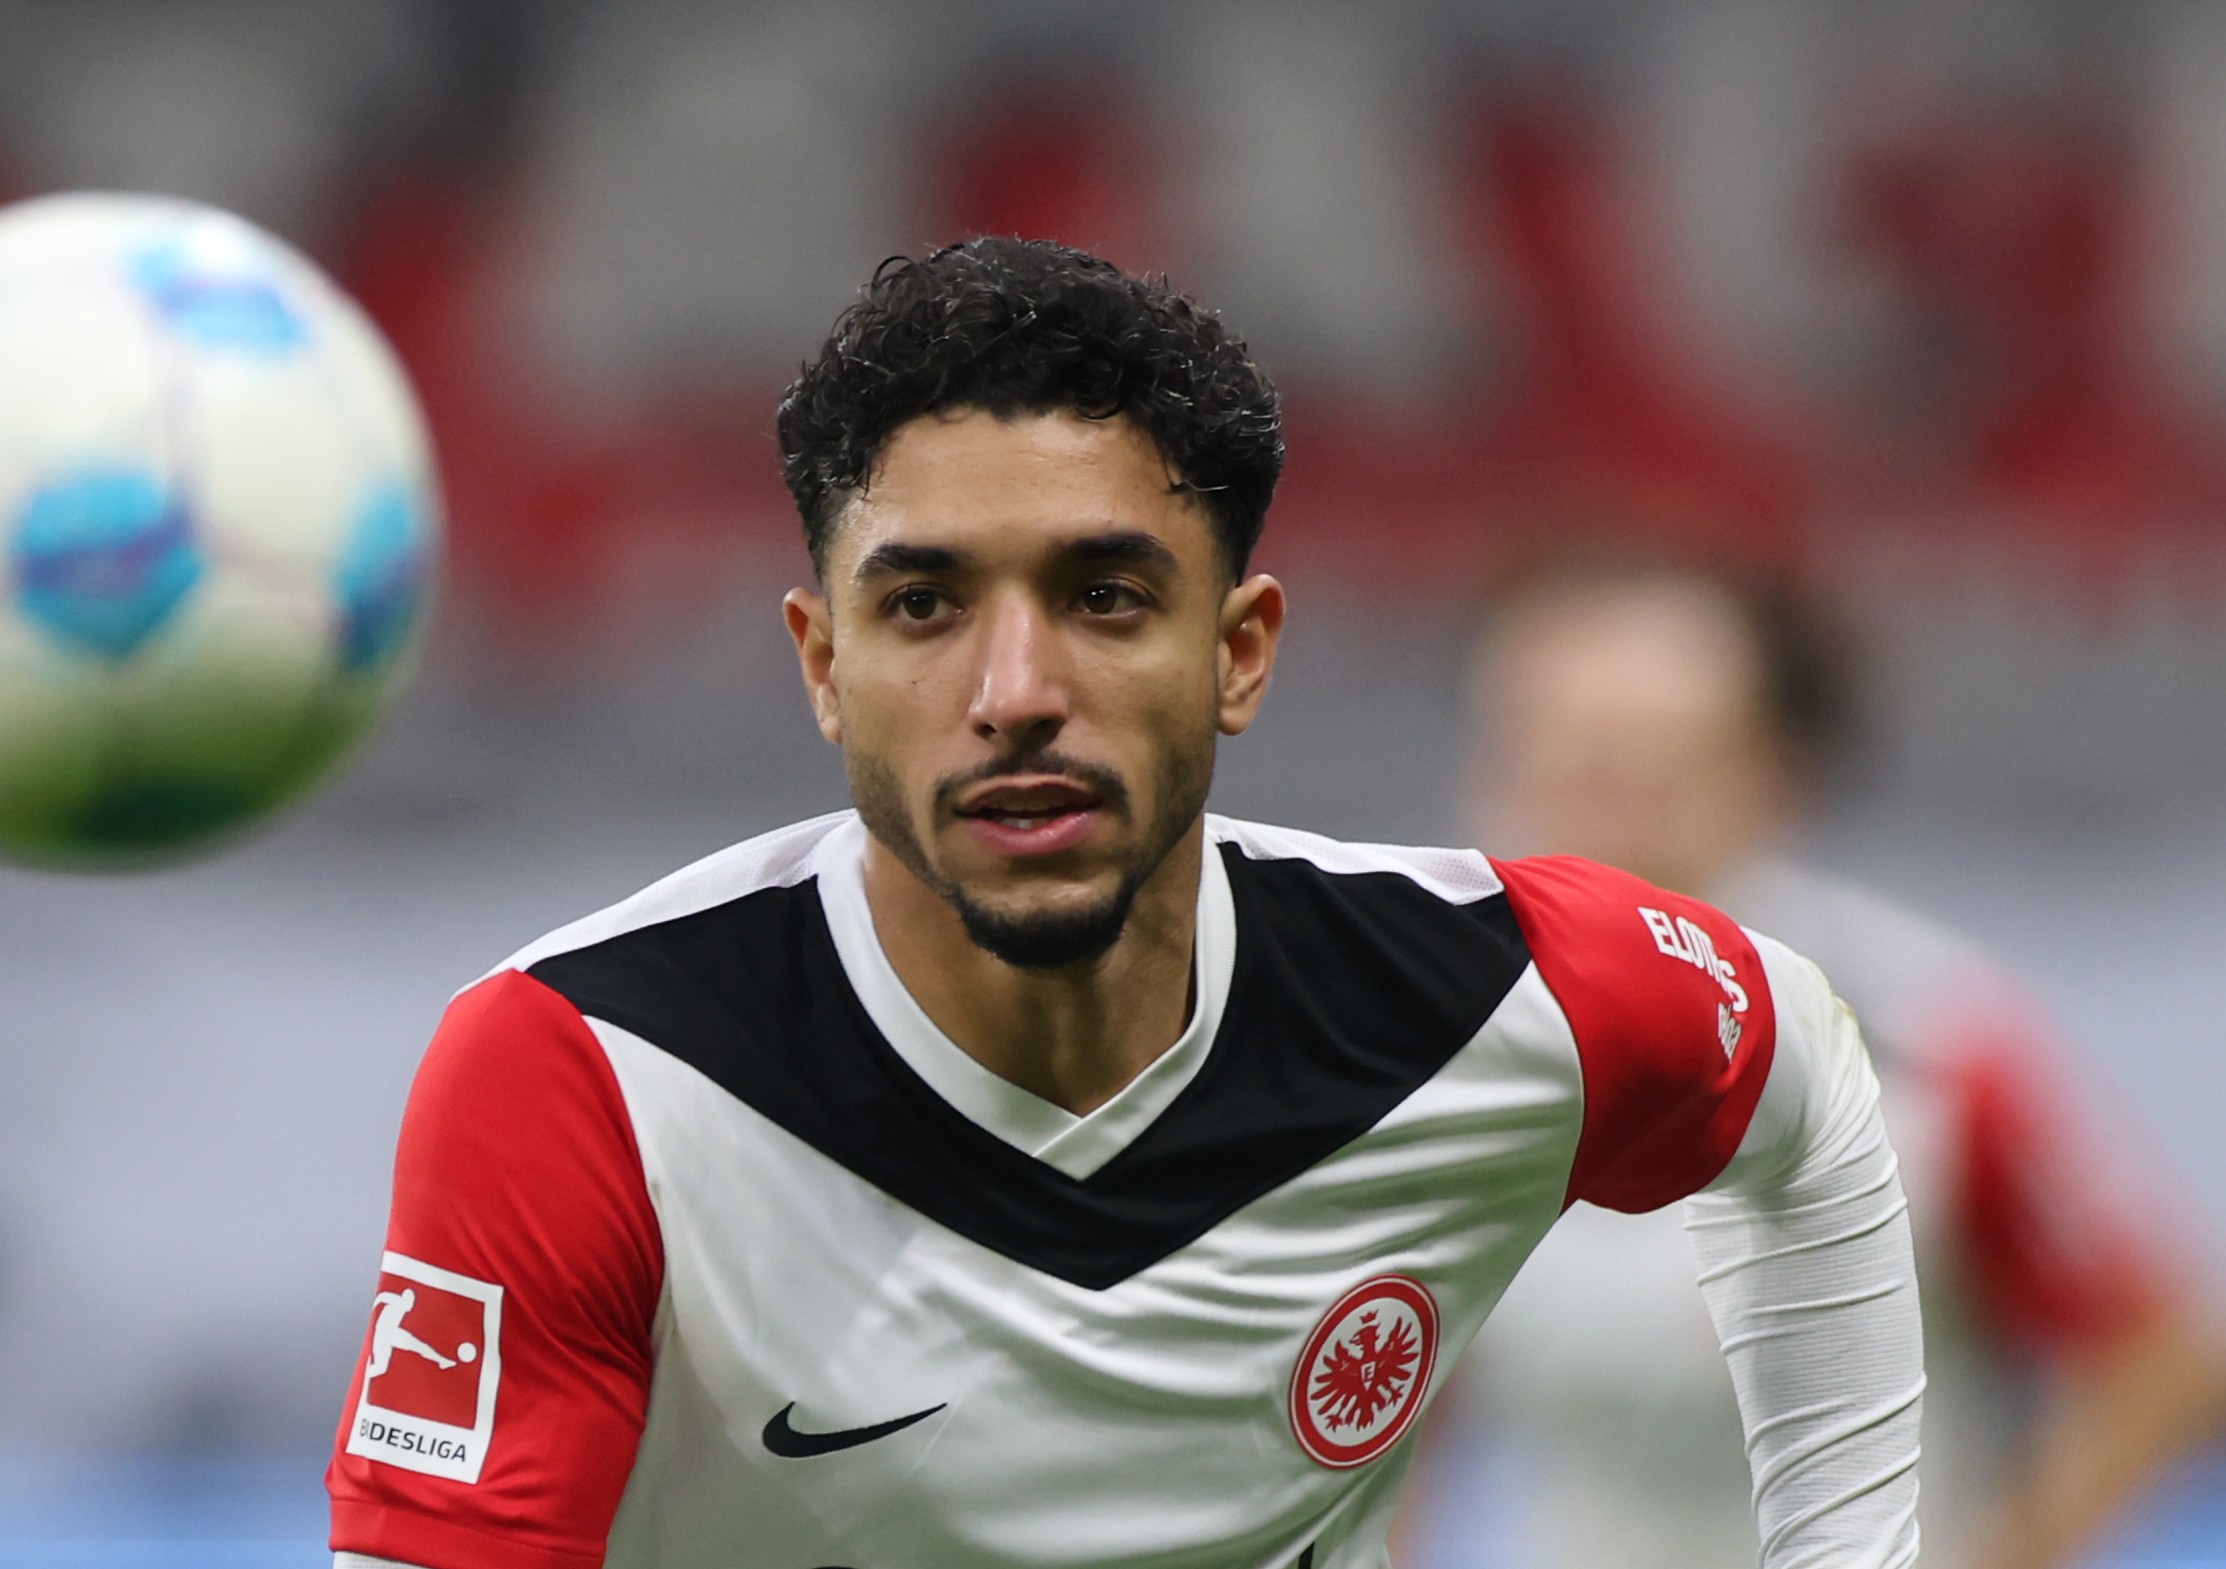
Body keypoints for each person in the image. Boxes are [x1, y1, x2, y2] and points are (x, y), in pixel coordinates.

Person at [325, 240, 1925, 1569]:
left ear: (1236, 651)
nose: (1015, 691)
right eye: (925, 604)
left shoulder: (1504, 998)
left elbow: (1802, 1092)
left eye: (1102, 597)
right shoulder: (590, 1073)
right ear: (824, 666)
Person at [1404, 560, 2226, 1569]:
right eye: (1550, 766)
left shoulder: (1924, 1043)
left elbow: (2162, 1359)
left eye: (1643, 772)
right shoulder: (1424, 1058)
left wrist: (2008, 1551)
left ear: (1773, 778)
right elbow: (1387, 1405)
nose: (1591, 820)